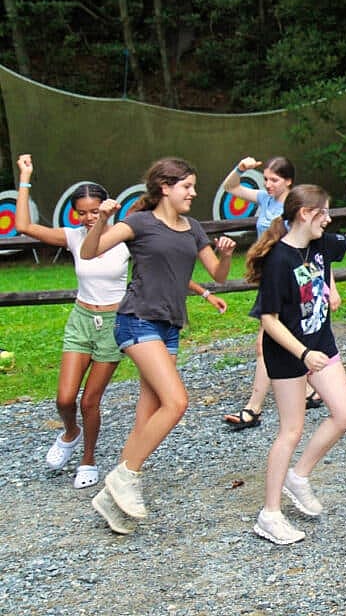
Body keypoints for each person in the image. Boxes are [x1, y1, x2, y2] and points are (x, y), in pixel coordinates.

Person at [16, 154, 225, 491]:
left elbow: (165, 266)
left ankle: (93, 462)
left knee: (92, 400)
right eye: (82, 212)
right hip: (86, 319)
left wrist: (202, 292)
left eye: (94, 211)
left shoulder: (129, 234)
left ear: (104, 207)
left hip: (119, 319)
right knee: (66, 398)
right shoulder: (82, 236)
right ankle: (73, 435)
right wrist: (25, 177)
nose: (88, 217)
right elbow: (25, 227)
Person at [80, 157, 236, 534]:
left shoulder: (193, 228)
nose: (193, 193)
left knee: (148, 415)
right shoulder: (139, 223)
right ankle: (126, 476)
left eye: (193, 187)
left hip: (168, 327)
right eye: (187, 186)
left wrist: (227, 253)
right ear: (165, 187)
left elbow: (217, 274)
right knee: (177, 402)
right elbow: (89, 251)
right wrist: (102, 218)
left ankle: (112, 499)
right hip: (136, 320)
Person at [246, 180, 346, 545]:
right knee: (291, 430)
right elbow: (268, 320)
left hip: (321, 346)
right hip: (287, 354)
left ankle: (299, 477)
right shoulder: (278, 260)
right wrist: (301, 353)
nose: (328, 220)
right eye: (324, 213)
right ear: (304, 214)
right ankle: (269, 514)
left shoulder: (320, 247)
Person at [220, 156, 336, 430]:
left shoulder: (297, 209)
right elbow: (230, 188)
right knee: (284, 339)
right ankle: (309, 389)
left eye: (274, 180)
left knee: (266, 343)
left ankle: (254, 407)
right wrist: (240, 168)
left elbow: (316, 251)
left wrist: (330, 286)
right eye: (266, 179)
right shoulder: (264, 199)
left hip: (297, 281)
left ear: (288, 182)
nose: (268, 184)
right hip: (274, 279)